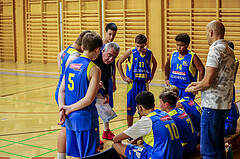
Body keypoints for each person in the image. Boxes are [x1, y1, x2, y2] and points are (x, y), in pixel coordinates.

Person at [186, 20, 235, 158]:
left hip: (212, 106)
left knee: (208, 150)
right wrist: (197, 84)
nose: (206, 36)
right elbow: (216, 78)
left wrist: (193, 89)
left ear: (211, 32)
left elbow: (207, 83)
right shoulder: (229, 49)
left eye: (206, 33)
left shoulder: (215, 49)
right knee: (218, 146)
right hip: (224, 105)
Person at [58, 32, 103, 158]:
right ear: (98, 49)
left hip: (70, 118)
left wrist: (63, 108)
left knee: (75, 155)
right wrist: (68, 108)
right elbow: (88, 99)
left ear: (82, 47)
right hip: (85, 119)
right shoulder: (94, 69)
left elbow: (62, 90)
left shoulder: (70, 63)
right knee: (88, 155)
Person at [113, 91, 183, 159]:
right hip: (177, 155)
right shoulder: (163, 114)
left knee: (116, 145)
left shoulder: (147, 120)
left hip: (159, 157)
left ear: (140, 107)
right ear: (154, 105)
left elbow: (116, 139)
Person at [55, 30, 91, 159]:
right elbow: (71, 65)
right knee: (66, 129)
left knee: (66, 128)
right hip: (66, 92)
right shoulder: (75, 56)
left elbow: (59, 56)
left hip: (61, 87)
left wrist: (61, 72)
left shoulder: (67, 50)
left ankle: (62, 156)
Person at [117, 34, 157, 132]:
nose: (139, 48)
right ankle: (129, 130)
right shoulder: (131, 52)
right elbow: (119, 62)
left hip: (144, 83)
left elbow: (155, 63)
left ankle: (140, 131)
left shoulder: (149, 53)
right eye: (137, 46)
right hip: (132, 84)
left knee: (143, 108)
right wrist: (123, 77)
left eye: (142, 46)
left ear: (146, 44)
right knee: (130, 108)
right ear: (135, 44)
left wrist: (152, 75)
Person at [96, 23, 118, 145]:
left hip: (107, 79)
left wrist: (113, 81)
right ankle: (97, 133)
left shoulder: (112, 48)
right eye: (109, 34)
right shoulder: (99, 47)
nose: (111, 37)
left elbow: (112, 66)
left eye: (114, 35)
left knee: (106, 106)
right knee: (97, 107)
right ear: (105, 32)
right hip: (97, 80)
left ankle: (106, 131)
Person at [165, 33, 205, 100]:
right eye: (177, 45)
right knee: (172, 108)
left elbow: (201, 70)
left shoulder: (192, 56)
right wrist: (166, 78)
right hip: (173, 88)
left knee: (186, 108)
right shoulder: (173, 54)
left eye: (181, 45)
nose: (179, 47)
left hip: (186, 89)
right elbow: (166, 66)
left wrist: (198, 85)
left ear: (187, 45)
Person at [159, 90, 198, 155]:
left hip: (185, 149)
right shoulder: (180, 111)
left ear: (166, 104)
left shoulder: (169, 118)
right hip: (194, 143)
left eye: (161, 103)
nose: (160, 105)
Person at [225, 41, 239, 136]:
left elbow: (231, 75)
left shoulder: (234, 60)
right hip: (224, 86)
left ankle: (230, 125)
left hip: (229, 85)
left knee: (231, 104)